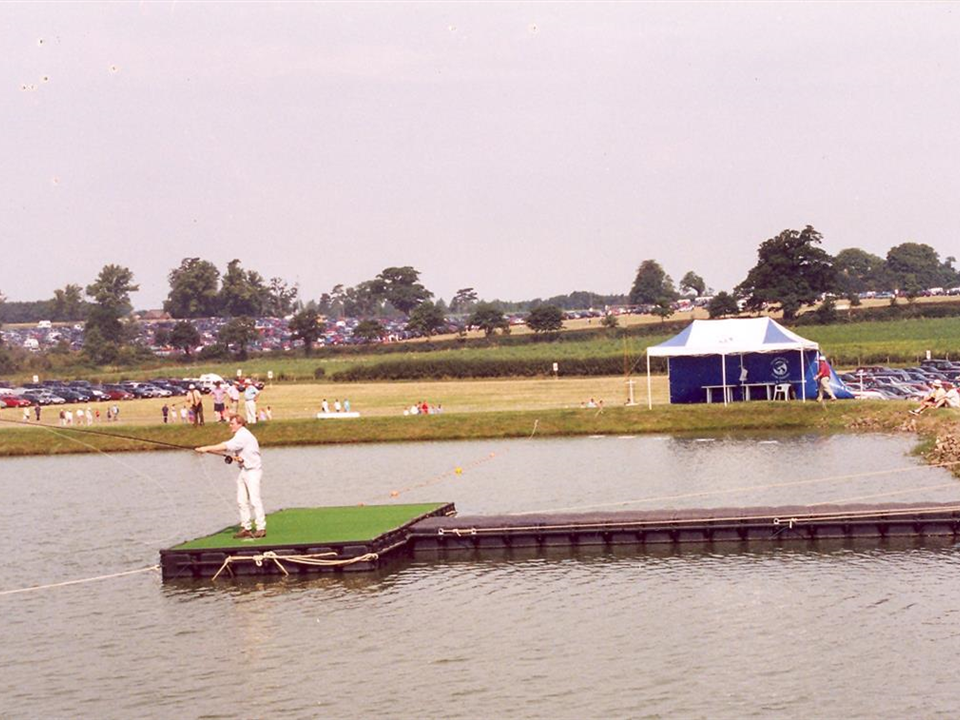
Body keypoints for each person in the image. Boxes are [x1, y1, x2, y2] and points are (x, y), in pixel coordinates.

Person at [195, 413, 266, 539]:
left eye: (232, 423)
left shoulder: (243, 436)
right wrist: (205, 450)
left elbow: (226, 446)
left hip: (253, 471)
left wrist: (206, 448)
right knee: (241, 501)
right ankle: (246, 527)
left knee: (255, 500)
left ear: (240, 424)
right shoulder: (239, 435)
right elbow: (228, 450)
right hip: (244, 471)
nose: (230, 426)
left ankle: (261, 528)